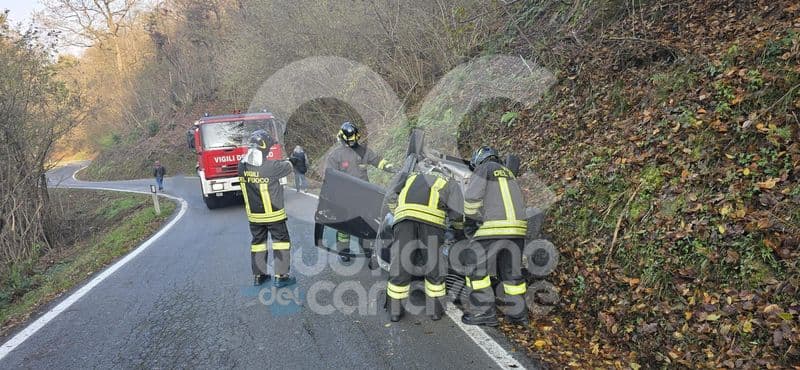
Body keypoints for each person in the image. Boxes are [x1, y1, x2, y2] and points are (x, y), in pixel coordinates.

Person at [385, 163, 463, 322]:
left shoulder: (412, 176)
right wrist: (459, 230)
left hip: (404, 221)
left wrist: (397, 213)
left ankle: (395, 311)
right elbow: (457, 213)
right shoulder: (450, 182)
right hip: (432, 225)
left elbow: (390, 196)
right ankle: (435, 311)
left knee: (401, 264)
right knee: (434, 267)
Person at [461, 145, 528, 326]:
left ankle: (483, 313)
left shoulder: (484, 168)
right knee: (511, 274)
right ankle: (519, 316)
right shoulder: (509, 173)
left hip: (494, 227)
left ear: (478, 160)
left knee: (475, 268)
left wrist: (470, 223)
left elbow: (471, 199)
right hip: (518, 230)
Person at [325, 121, 395, 263]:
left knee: (367, 223)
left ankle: (368, 249)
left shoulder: (363, 151)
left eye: (354, 140)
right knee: (345, 226)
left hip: (364, 194)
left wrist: (391, 167)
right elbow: (330, 177)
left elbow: (377, 161)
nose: (352, 143)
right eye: (350, 141)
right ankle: (343, 251)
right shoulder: (335, 156)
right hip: (345, 197)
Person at [238, 130, 296, 287]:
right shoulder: (271, 167)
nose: (269, 151)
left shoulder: (241, 166)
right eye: (269, 148)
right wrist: (294, 157)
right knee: (281, 243)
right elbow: (289, 166)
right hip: (274, 215)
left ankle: (259, 276)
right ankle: (281, 276)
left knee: (258, 244)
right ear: (264, 148)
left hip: (254, 217)